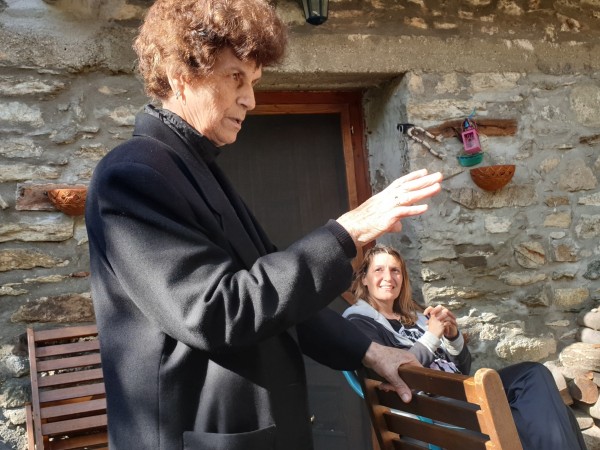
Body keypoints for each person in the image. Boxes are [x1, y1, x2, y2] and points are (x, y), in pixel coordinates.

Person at [84, 1, 444, 449]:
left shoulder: (195, 168)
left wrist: (371, 352)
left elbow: (280, 299)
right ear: (181, 75)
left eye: (253, 82)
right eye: (235, 77)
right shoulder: (134, 173)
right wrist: (347, 233)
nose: (250, 100)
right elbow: (216, 312)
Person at [343, 245, 587, 450]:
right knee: (545, 413)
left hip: (458, 391)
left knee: (534, 376)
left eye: (395, 270)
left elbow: (461, 368)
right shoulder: (359, 320)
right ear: (364, 278)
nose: (388, 277)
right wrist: (432, 335)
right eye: (379, 270)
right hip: (435, 405)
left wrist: (452, 336)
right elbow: (392, 369)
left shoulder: (413, 317)